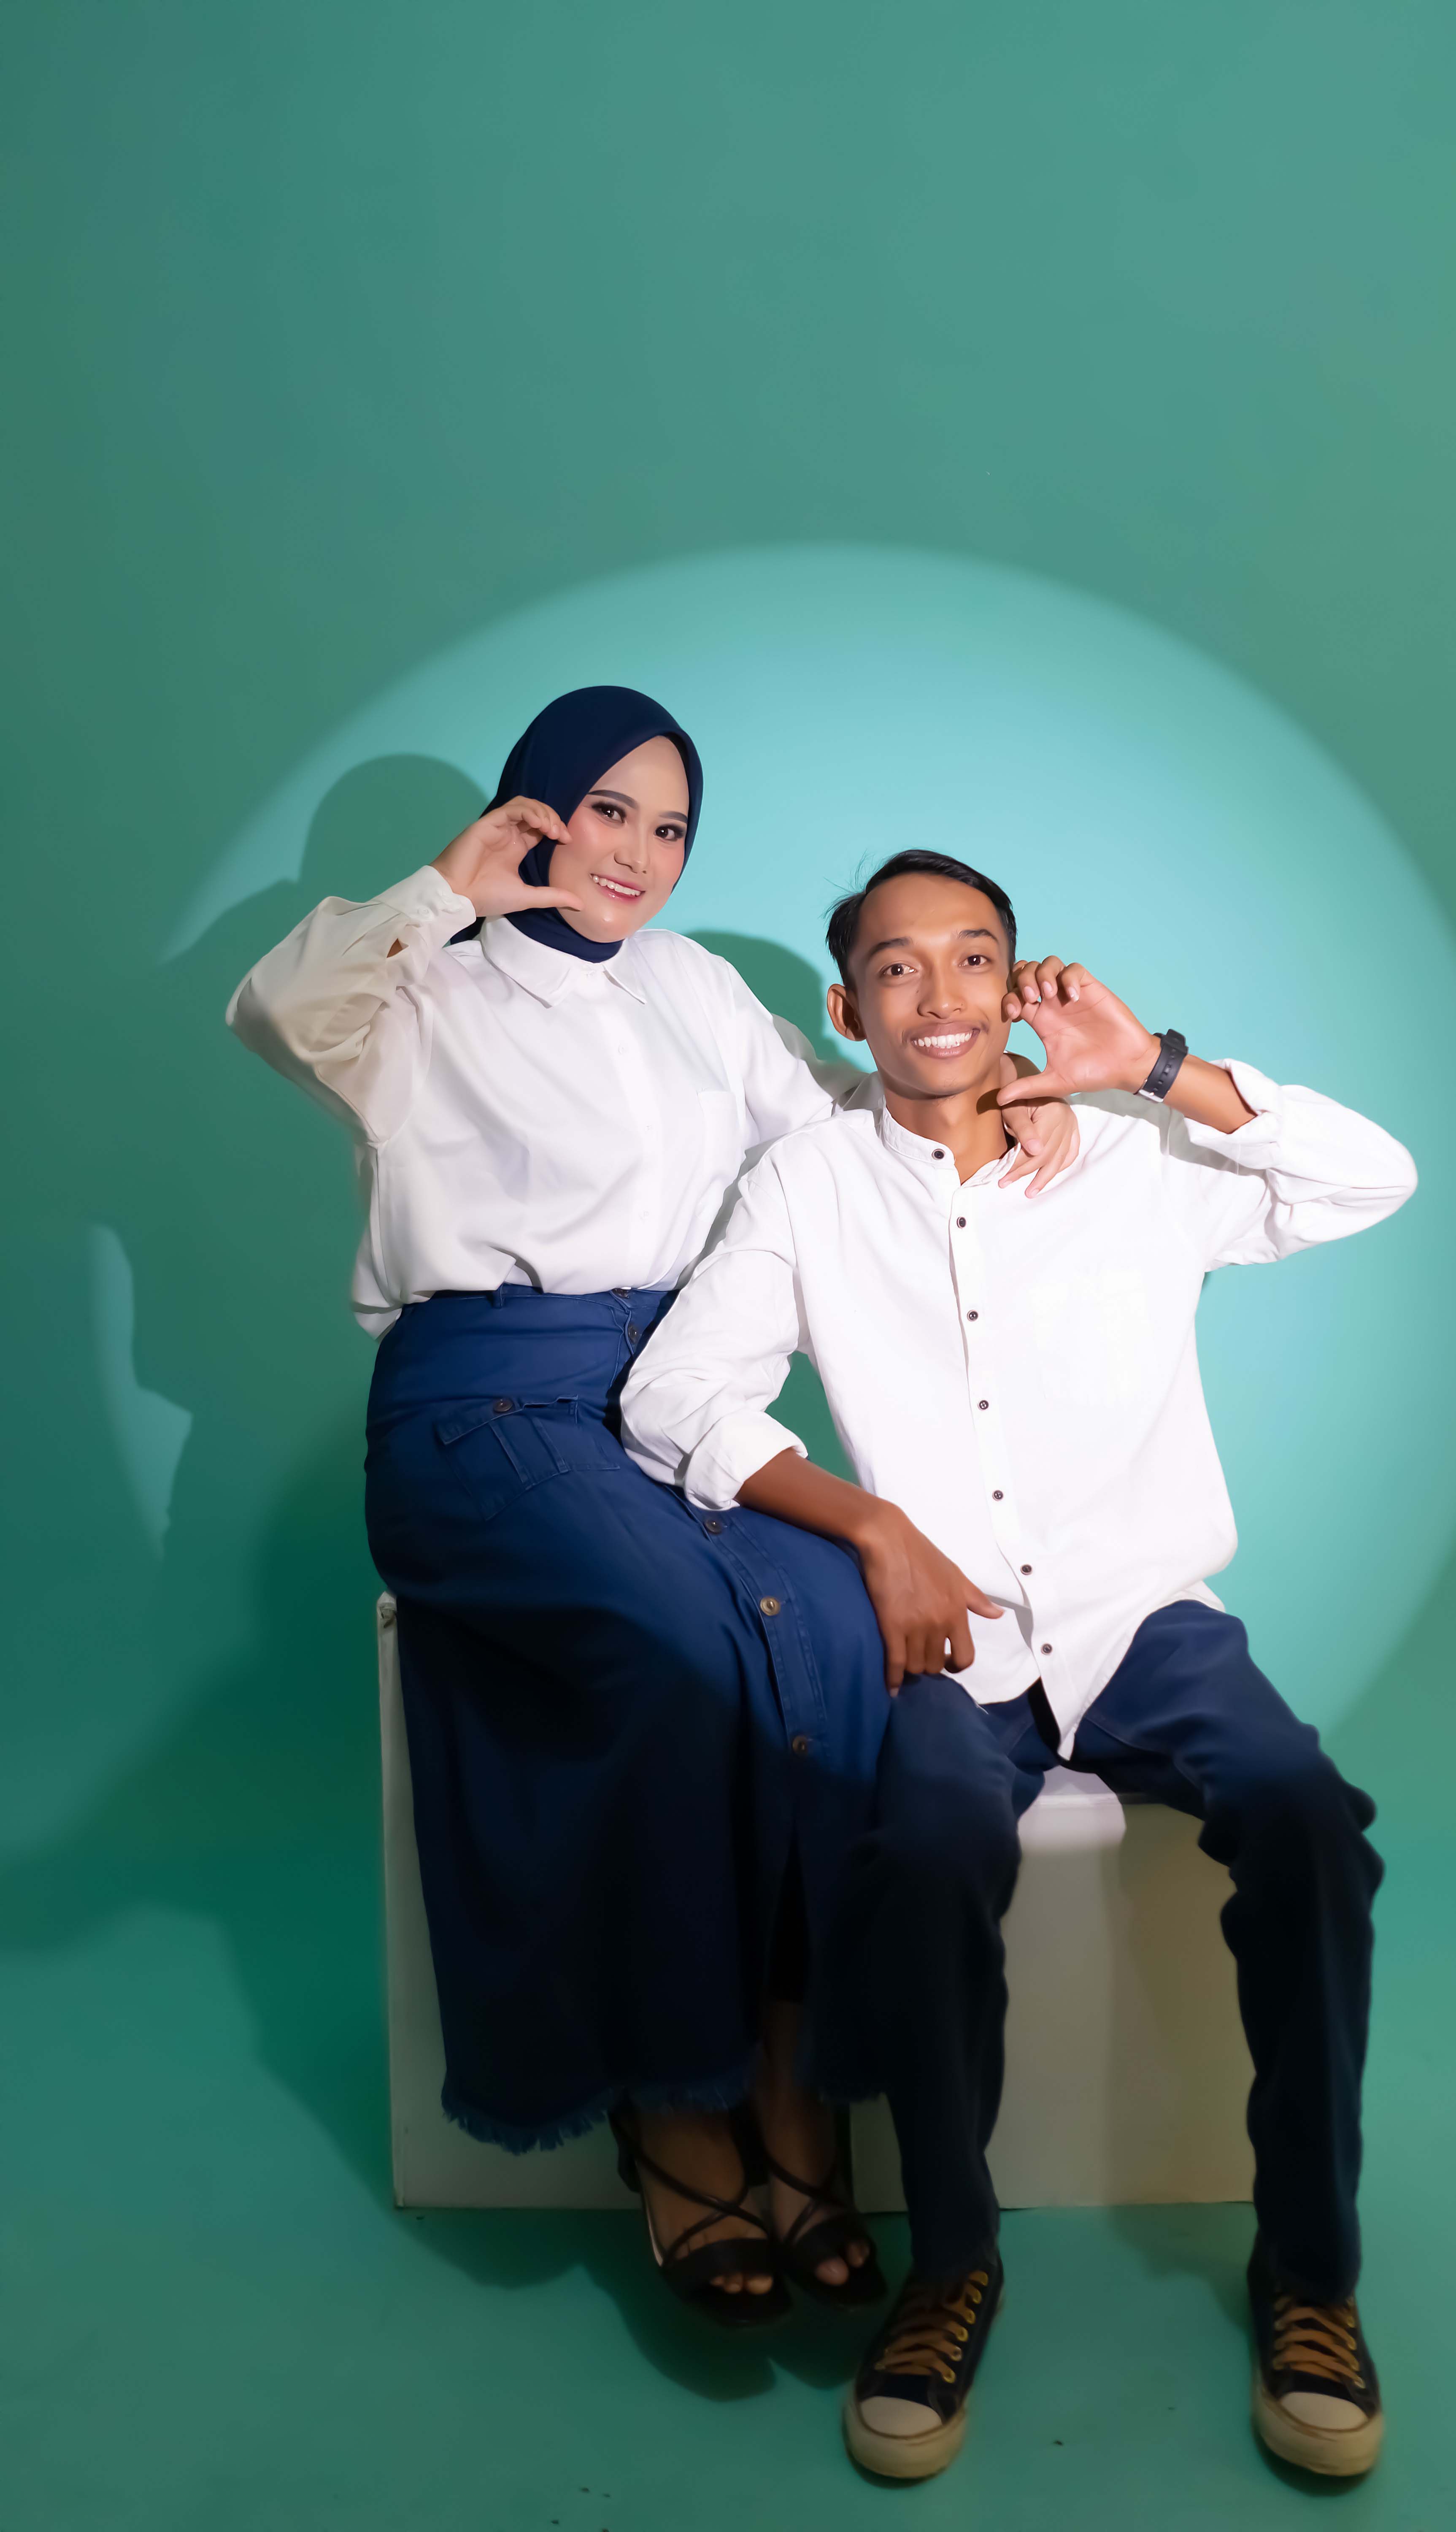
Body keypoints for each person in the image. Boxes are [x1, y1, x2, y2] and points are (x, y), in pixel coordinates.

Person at [227, 696, 1079, 2329]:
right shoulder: (424, 982)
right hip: (482, 1408)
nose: (635, 853)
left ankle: (790, 2082)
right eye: (605, 810)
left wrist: (1007, 1102)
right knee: (684, 1650)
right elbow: (274, 1012)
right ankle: (671, 2103)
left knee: (828, 1627)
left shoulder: (695, 988)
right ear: (535, 809)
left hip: (673, 1398)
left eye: (670, 828)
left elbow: (846, 1130)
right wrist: (447, 890)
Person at [620, 847, 1417, 2476]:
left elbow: (1371, 1179)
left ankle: (1311, 2275)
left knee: (1306, 1816)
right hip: (956, 1647)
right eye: (897, 968)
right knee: (919, 1851)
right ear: (847, 1010)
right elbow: (674, 1395)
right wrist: (875, 1528)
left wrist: (1158, 1071)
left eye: (974, 958)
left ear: (1015, 985)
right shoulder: (807, 1187)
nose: (940, 995)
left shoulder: (1134, 1155)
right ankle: (952, 2264)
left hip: (1145, 1620)